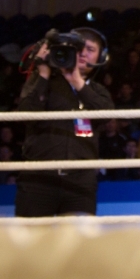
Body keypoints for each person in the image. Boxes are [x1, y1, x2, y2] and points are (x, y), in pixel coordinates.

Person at [15, 27, 113, 217]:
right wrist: (43, 73)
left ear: (101, 57)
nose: (84, 53)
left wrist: (76, 80)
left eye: (91, 49)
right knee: (30, 244)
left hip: (80, 183)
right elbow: (25, 116)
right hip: (38, 179)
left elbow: (105, 116)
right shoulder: (41, 81)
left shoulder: (99, 92)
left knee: (78, 245)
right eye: (79, 47)